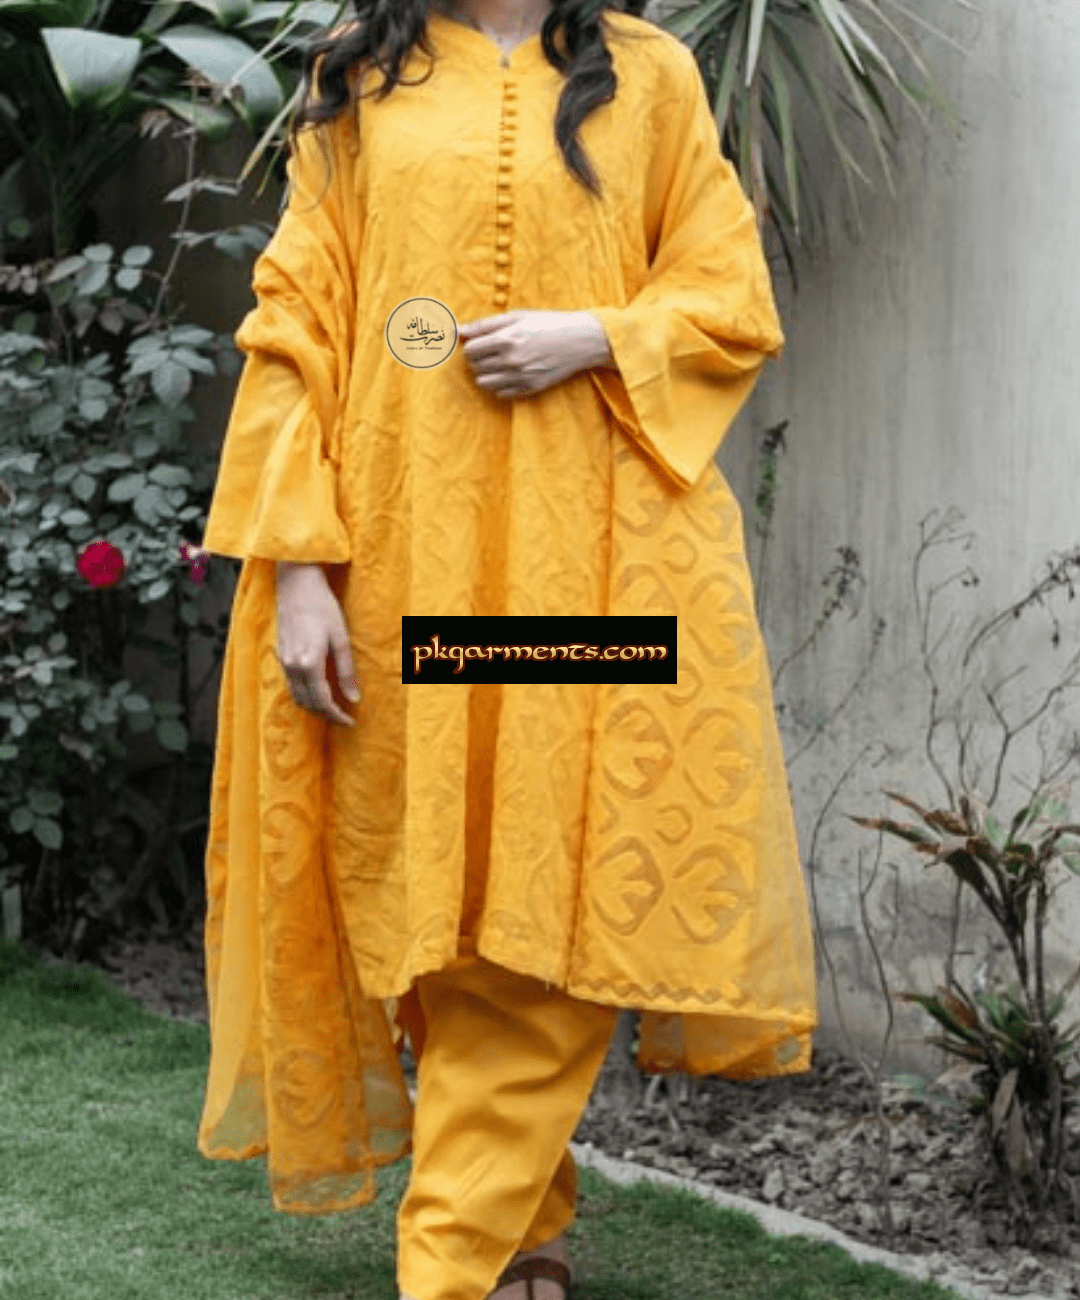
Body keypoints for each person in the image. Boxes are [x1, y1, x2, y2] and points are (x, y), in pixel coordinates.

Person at [195, 0, 818, 1297]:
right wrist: (299, 567)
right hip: (404, 558)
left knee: (555, 888)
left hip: (597, 564)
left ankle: (448, 1265)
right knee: (443, 901)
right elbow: (296, 321)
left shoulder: (647, 74)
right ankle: (528, 1224)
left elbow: (728, 295)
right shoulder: (362, 73)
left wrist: (592, 334)